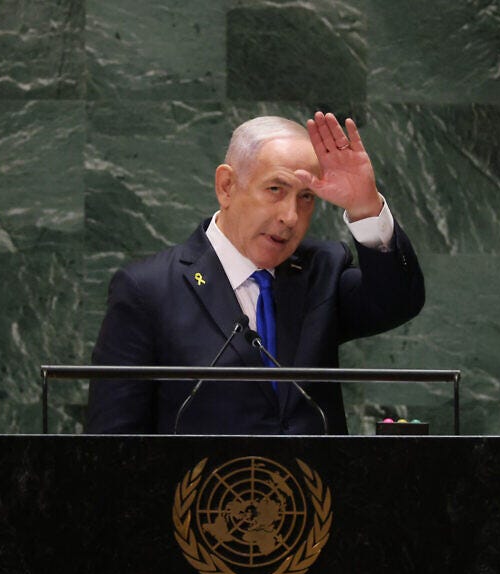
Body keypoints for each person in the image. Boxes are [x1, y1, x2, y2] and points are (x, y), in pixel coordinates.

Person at [86, 111, 424, 434]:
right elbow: (113, 440)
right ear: (227, 186)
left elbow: (397, 302)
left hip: (313, 491)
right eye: (276, 189)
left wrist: (365, 206)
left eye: (306, 197)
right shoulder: (148, 290)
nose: (291, 216)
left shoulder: (321, 270)